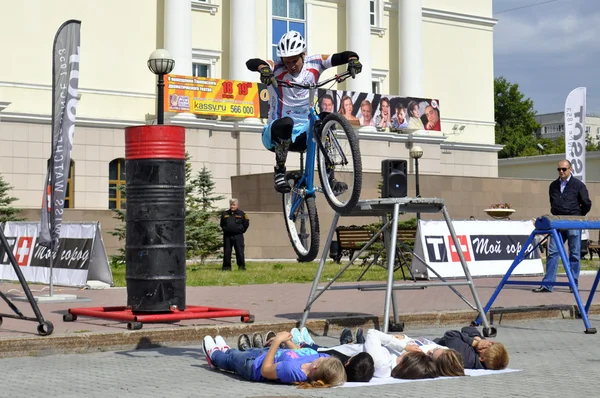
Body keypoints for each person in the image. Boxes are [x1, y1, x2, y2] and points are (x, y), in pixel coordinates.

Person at [246, 30, 362, 194]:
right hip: (275, 134)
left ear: (304, 55)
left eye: (295, 60)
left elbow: (343, 56)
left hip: (304, 134)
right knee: (287, 122)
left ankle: (330, 178)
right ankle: (279, 172)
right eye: (287, 62)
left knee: (326, 118)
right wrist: (263, 69)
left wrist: (353, 60)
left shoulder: (315, 62)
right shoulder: (276, 67)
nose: (292, 65)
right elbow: (252, 62)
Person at [203, 332, 347, 388]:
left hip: (254, 366)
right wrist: (287, 342)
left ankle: (214, 356)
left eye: (322, 359)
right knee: (234, 353)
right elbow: (300, 352)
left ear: (316, 368)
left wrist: (278, 341)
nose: (322, 356)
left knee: (230, 360)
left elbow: (266, 371)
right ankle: (226, 349)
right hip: (265, 353)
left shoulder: (292, 371)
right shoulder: (318, 360)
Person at [533, 159, 592, 293]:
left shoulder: (578, 185)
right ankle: (548, 284)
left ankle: (573, 284)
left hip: (573, 223)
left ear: (570, 169)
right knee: (553, 253)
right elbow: (552, 202)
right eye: (559, 169)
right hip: (557, 223)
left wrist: (578, 216)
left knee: (575, 254)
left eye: (564, 169)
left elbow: (587, 203)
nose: (561, 172)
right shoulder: (553, 185)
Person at [434, 326, 509, 370]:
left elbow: (450, 334)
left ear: (482, 358)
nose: (487, 343)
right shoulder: (482, 351)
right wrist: (477, 338)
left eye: (489, 345)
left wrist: (474, 343)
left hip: (431, 347)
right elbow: (467, 328)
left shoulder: (467, 356)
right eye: (492, 343)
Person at [220, 198, 249, 271]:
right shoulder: (225, 214)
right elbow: (222, 224)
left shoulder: (242, 214)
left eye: (234, 205)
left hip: (238, 236)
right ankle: (226, 267)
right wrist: (226, 229)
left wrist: (241, 230)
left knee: (239, 251)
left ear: (237, 205)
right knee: (227, 252)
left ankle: (241, 267)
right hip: (227, 236)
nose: (232, 206)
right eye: (231, 205)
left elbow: (246, 224)